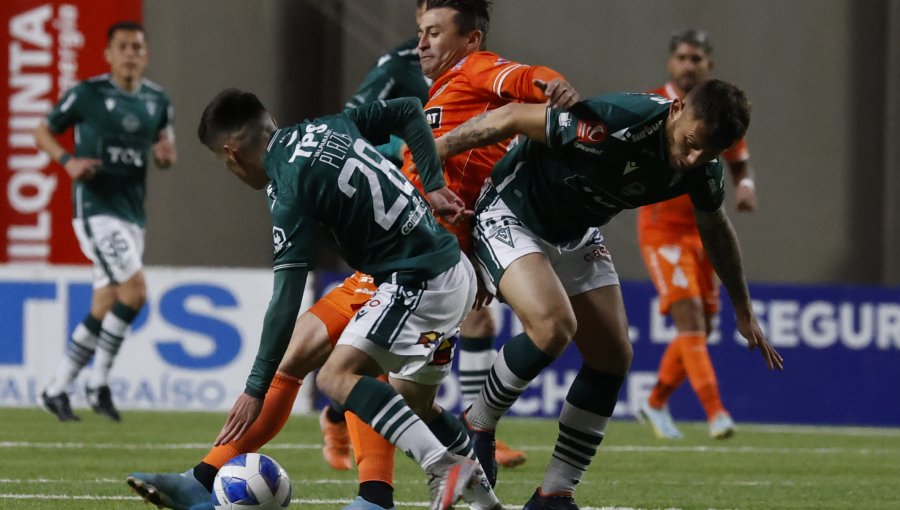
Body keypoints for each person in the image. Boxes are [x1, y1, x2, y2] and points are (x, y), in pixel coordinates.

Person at [131, 90, 501, 510]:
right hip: (438, 266)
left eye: (223, 162)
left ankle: (431, 468)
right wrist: (432, 186)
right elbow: (408, 110)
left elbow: (285, 299)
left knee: (337, 377)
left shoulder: (290, 189)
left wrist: (253, 388)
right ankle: (486, 505)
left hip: (417, 279)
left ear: (231, 154)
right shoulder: (328, 124)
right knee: (413, 404)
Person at [434, 79, 784, 508]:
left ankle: (554, 495)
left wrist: (743, 309)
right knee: (553, 326)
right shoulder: (614, 123)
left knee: (614, 357)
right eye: (691, 143)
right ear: (676, 110)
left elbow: (715, 228)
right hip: (513, 211)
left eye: (707, 154)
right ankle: (477, 423)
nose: (692, 159)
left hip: (576, 232)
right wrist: (435, 151)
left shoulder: (703, 166)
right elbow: (511, 117)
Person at [401, 0, 580, 470]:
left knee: (355, 371)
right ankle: (466, 450)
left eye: (434, 32)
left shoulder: (475, 68)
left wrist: (551, 84)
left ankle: (382, 481)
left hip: (437, 254)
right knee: (377, 380)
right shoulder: (435, 89)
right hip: (418, 247)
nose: (421, 42)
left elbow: (524, 78)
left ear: (471, 40)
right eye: (421, 31)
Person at [34, 20, 176, 422]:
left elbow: (165, 152)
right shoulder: (87, 93)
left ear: (146, 56)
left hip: (133, 213)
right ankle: (98, 383)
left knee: (105, 302)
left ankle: (56, 387)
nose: (131, 54)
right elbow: (42, 130)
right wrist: (68, 161)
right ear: (109, 55)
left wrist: (166, 159)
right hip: (97, 210)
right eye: (124, 47)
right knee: (134, 293)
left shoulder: (158, 100)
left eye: (137, 47)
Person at [637, 29, 758, 440]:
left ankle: (653, 403)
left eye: (697, 59)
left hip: (703, 231)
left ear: (709, 65)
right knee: (689, 318)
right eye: (683, 58)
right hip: (662, 229)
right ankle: (716, 412)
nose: (689, 65)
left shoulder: (722, 113)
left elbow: (737, 159)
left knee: (701, 328)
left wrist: (745, 185)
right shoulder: (656, 104)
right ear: (672, 63)